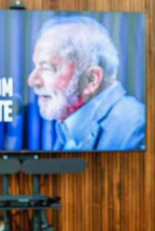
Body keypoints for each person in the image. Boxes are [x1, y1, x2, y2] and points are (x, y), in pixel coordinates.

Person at [27, 15, 146, 151]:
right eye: (36, 66)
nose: (31, 81)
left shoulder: (136, 132)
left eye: (47, 68)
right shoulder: (69, 126)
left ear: (91, 80)